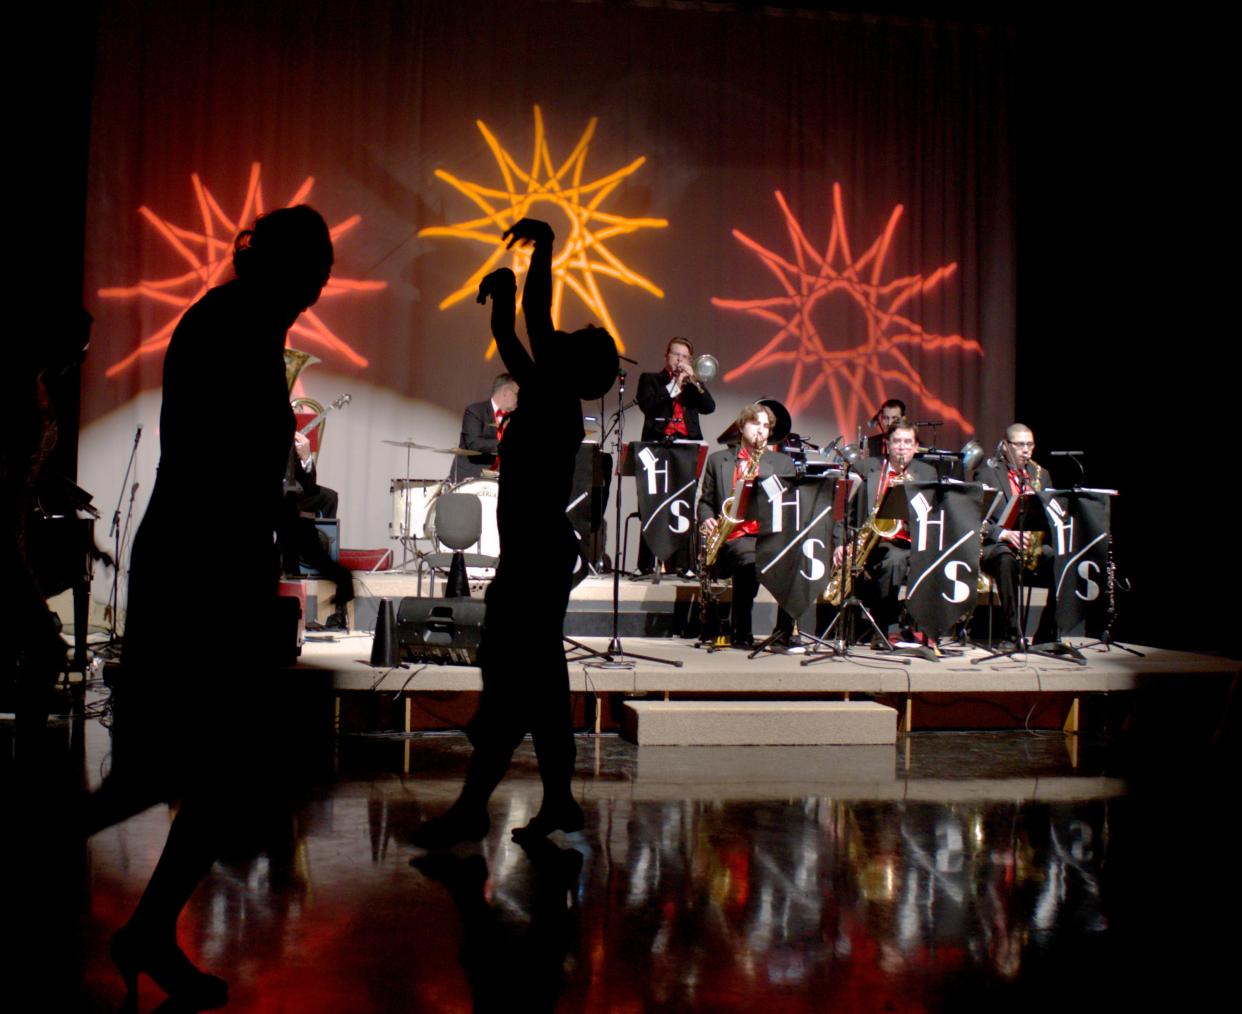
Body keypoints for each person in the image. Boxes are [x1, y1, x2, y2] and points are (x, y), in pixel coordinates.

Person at [104, 205, 334, 1009]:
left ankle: (148, 932)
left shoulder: (239, 324)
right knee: (180, 769)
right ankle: (139, 929)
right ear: (288, 269)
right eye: (316, 267)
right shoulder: (233, 328)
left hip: (208, 568)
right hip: (201, 574)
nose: (320, 284)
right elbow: (224, 467)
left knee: (196, 770)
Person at [412, 217, 617, 848]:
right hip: (536, 558)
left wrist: (544, 250)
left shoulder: (553, 399)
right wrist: (503, 291)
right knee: (542, 686)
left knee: (514, 687)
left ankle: (475, 808)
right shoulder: (546, 394)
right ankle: (559, 802)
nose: (556, 340)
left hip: (533, 562)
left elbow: (532, 317)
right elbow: (514, 327)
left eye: (568, 341)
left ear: (573, 365)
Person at [697, 403, 797, 648]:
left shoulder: (783, 463)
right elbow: (705, 502)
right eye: (755, 424)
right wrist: (707, 518)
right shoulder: (717, 460)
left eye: (766, 426)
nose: (761, 431)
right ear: (741, 427)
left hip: (769, 534)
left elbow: (790, 506)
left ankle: (782, 633)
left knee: (796, 561)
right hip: (733, 535)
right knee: (749, 559)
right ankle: (741, 631)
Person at [832, 418, 936, 642]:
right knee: (893, 561)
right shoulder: (866, 468)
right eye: (897, 441)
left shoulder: (927, 473)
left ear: (916, 447)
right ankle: (888, 628)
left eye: (908, 442)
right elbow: (843, 510)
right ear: (887, 445)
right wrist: (840, 543)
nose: (902, 447)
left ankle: (925, 627)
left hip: (916, 540)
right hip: (878, 542)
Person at [635, 338, 715, 575]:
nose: (680, 359)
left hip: (686, 450)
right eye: (675, 354)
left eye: (685, 356)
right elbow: (648, 405)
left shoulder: (692, 385)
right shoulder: (650, 379)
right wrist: (674, 388)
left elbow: (709, 407)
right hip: (657, 448)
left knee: (684, 504)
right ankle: (647, 564)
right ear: (666, 356)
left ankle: (683, 564)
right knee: (652, 505)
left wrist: (695, 381)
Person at [977, 423, 1055, 647]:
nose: (1025, 450)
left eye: (1029, 445)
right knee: (1005, 559)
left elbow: (1051, 517)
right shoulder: (986, 474)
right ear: (1005, 446)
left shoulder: (1041, 475)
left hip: (1030, 544)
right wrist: (1003, 534)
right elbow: (975, 519)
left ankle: (1046, 634)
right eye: (1020, 445)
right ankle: (1012, 633)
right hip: (997, 545)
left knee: (1058, 560)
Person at [281, 427, 353, 630]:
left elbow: (308, 487)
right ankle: (291, 559)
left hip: (291, 494)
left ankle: (326, 542)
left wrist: (305, 457)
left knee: (329, 496)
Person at [451, 373, 519, 481]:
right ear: (506, 392)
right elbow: (474, 444)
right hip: (472, 477)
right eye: (517, 394)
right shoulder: (475, 411)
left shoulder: (515, 417)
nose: (519, 399)